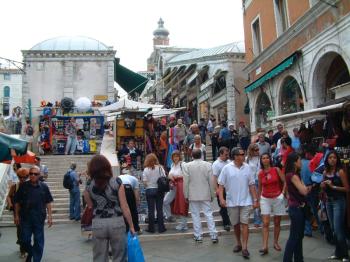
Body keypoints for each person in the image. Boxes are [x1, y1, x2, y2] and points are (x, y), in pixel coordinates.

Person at [83, 155, 135, 262]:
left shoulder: (89, 184)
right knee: (119, 257)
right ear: (107, 167)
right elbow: (124, 206)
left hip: (98, 223)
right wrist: (131, 226)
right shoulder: (117, 182)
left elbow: (90, 205)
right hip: (116, 221)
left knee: (99, 257)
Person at [218, 147, 259, 259]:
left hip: (245, 201)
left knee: (245, 224)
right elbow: (220, 185)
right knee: (235, 224)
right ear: (235, 156)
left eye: (243, 154)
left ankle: (245, 248)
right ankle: (238, 243)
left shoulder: (248, 168)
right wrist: (222, 199)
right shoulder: (226, 168)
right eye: (241, 154)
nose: (243, 156)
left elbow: (251, 185)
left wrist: (255, 200)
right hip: (231, 201)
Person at [14, 165, 53, 262]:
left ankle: (36, 259)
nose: (33, 175)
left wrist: (50, 217)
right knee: (24, 240)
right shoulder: (23, 186)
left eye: (35, 174)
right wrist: (16, 215)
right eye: (31, 174)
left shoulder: (44, 187)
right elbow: (17, 202)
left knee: (39, 241)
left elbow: (48, 202)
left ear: (39, 175)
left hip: (39, 218)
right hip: (25, 218)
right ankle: (31, 252)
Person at [183, 149, 218, 243]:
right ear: (201, 155)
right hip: (205, 192)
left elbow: (186, 182)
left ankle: (198, 236)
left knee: (195, 215)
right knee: (208, 214)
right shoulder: (208, 165)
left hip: (193, 194)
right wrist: (212, 193)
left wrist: (185, 194)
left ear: (192, 155)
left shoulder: (187, 166)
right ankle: (213, 234)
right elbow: (211, 181)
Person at [321, 151, 349, 261]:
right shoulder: (325, 172)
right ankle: (338, 253)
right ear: (327, 160)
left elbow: (347, 188)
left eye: (334, 158)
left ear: (337, 159)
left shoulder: (340, 171)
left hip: (339, 202)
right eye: (330, 157)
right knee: (333, 228)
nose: (332, 159)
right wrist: (323, 186)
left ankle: (345, 254)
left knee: (338, 229)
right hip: (329, 202)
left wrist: (333, 187)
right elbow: (323, 188)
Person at [283, 152, 311, 262]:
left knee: (298, 236)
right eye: (299, 160)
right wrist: (309, 188)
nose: (301, 162)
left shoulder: (294, 174)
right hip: (297, 208)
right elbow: (304, 191)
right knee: (295, 237)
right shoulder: (293, 176)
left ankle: (299, 259)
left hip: (297, 207)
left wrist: (305, 188)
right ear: (295, 162)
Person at [258, 153, 285, 255]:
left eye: (267, 158)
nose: (265, 160)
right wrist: (258, 199)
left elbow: (285, 181)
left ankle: (275, 242)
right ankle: (264, 246)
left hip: (277, 197)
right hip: (265, 198)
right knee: (265, 223)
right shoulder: (260, 173)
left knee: (277, 222)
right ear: (261, 160)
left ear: (270, 159)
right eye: (263, 158)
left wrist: (283, 193)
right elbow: (259, 187)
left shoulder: (276, 170)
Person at [163, 150, 188, 231]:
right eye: (174, 156)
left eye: (177, 156)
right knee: (165, 201)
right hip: (173, 186)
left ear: (179, 156)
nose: (175, 158)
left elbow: (186, 175)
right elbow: (170, 175)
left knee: (182, 204)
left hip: (181, 186)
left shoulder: (183, 164)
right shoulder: (172, 164)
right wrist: (170, 179)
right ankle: (170, 216)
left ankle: (183, 224)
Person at [7, 168, 29, 258]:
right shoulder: (14, 186)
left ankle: (25, 245)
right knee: (20, 231)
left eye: (25, 177)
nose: (22, 179)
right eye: (20, 177)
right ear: (18, 176)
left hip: (28, 212)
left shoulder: (30, 186)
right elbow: (8, 196)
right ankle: (22, 250)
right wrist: (10, 203)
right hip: (18, 212)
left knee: (27, 231)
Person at [142, 153, 167, 233]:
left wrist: (149, 184)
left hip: (149, 190)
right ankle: (161, 228)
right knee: (159, 210)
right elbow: (164, 178)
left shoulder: (146, 170)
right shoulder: (160, 168)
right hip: (159, 190)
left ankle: (151, 228)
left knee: (151, 210)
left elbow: (145, 182)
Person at [212, 146, 231, 231]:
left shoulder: (229, 162)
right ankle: (226, 223)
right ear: (220, 154)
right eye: (226, 154)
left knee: (229, 205)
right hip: (221, 188)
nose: (227, 156)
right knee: (223, 206)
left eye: (228, 154)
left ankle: (228, 218)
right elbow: (214, 178)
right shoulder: (216, 164)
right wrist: (217, 189)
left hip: (230, 188)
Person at [119, 164, 141, 234]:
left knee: (121, 210)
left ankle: (123, 229)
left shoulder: (118, 177)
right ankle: (136, 229)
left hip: (119, 188)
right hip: (128, 188)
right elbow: (136, 193)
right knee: (132, 210)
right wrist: (136, 203)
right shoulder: (134, 179)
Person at [246, 144, 262, 228]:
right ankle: (256, 220)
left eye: (258, 149)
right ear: (251, 150)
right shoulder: (248, 159)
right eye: (255, 150)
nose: (257, 151)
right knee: (254, 201)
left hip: (260, 181)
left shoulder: (261, 158)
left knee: (259, 201)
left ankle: (258, 219)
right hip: (251, 182)